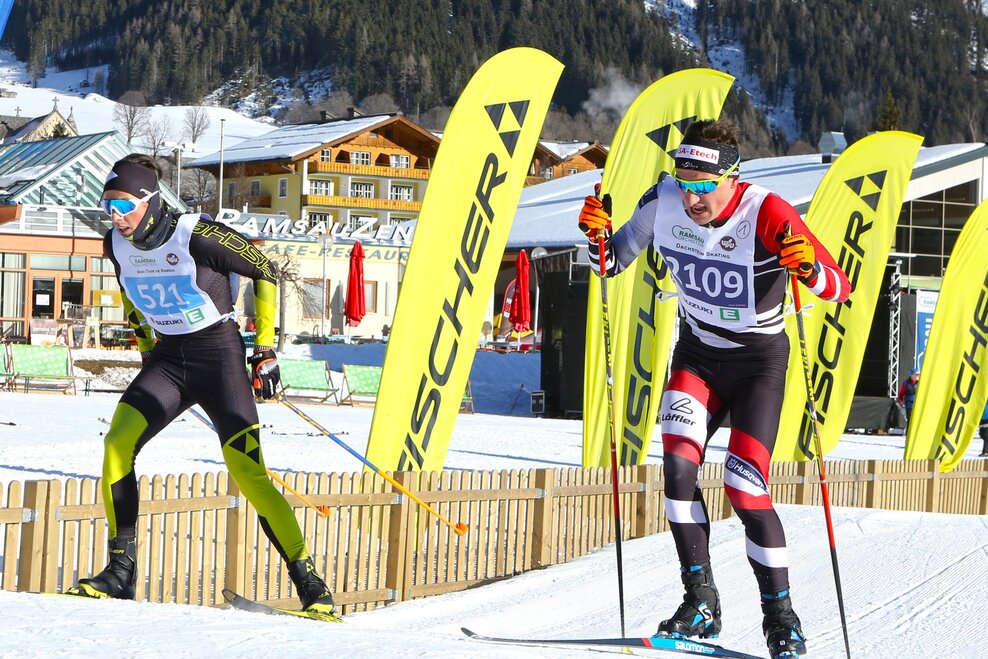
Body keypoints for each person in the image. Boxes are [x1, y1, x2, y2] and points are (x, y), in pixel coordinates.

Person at [577, 119, 851, 659]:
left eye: (704, 186)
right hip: (698, 356)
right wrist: (593, 234)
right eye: (685, 183)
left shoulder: (766, 211)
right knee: (677, 471)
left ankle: (782, 620)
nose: (692, 197)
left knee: (745, 487)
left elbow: (838, 286)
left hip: (757, 365)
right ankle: (701, 603)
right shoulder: (664, 201)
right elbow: (610, 264)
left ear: (730, 177)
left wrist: (809, 269)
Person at [66, 154, 337, 619]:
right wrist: (145, 340)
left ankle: (310, 584)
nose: (113, 215)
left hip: (220, 360)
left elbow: (265, 270)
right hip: (169, 361)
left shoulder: (199, 235)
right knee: (117, 443)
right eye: (107, 205)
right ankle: (120, 570)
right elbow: (132, 295)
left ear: (149, 200)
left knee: (248, 473)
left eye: (123, 205)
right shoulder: (114, 243)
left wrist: (266, 348)